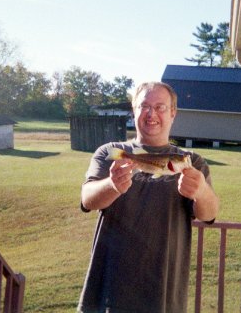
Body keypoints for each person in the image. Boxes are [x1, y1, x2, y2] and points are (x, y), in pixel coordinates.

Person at [77, 82, 219, 313]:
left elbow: (209, 215)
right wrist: (113, 185)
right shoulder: (110, 152)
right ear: (134, 110)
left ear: (173, 112)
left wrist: (201, 192)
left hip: (163, 294)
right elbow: (87, 199)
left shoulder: (192, 161)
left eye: (160, 107)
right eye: (144, 106)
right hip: (108, 291)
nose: (151, 113)